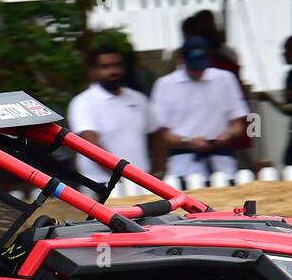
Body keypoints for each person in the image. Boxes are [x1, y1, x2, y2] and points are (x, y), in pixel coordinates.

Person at [150, 37, 250, 178]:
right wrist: (188, 142)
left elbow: (238, 124)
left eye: (202, 66)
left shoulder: (225, 79)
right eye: (194, 67)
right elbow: (162, 135)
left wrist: (228, 134)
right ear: (182, 60)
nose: (198, 71)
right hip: (183, 163)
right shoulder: (165, 84)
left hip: (222, 161)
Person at [66, 45, 160, 185]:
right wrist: (122, 177)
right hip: (101, 185)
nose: (113, 71)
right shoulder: (83, 102)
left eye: (117, 65)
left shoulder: (138, 99)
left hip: (141, 183)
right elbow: (91, 146)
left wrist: (159, 170)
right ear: (93, 71)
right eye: (106, 67)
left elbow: (157, 135)